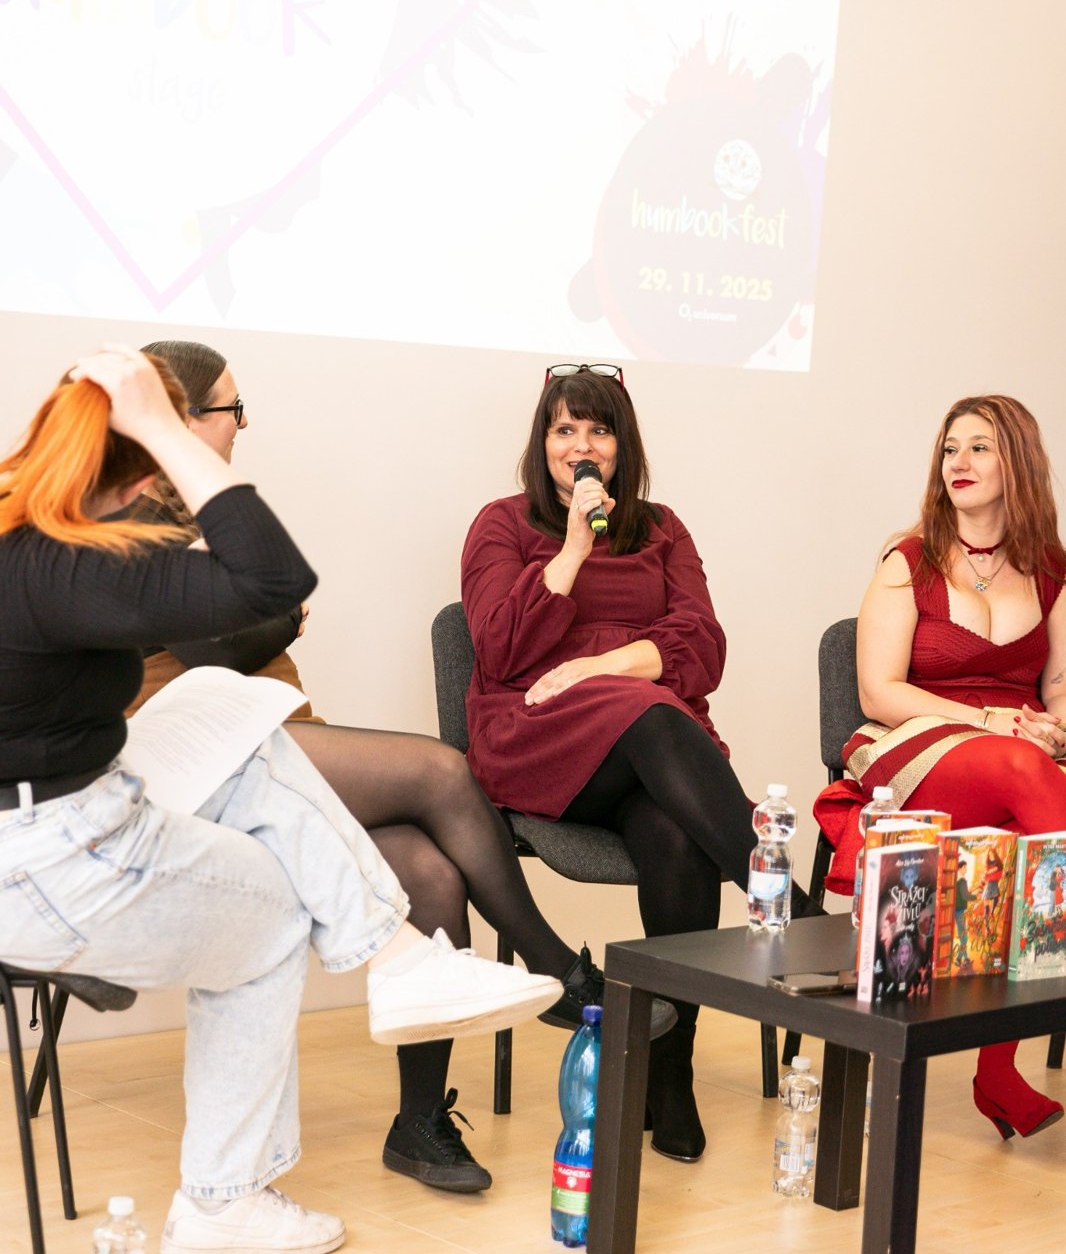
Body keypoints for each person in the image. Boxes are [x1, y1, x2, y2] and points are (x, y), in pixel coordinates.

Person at [0, 346, 564, 1254]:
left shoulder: (34, 543)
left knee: (236, 727)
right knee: (271, 918)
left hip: (72, 819)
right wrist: (167, 433)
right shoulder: (67, 566)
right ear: (141, 464)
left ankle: (396, 961)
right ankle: (225, 1201)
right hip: (54, 854)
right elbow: (273, 579)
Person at [129, 338, 673, 1197]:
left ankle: (419, 1123)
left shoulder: (196, 510)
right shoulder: (138, 514)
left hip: (269, 735)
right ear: (186, 418)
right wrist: (279, 618)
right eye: (233, 409)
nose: (243, 426)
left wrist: (270, 613)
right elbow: (212, 647)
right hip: (202, 755)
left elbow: (239, 620)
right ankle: (554, 969)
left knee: (429, 871)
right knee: (441, 773)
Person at [459, 361, 787, 1164]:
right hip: (538, 739)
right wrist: (573, 550)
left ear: (622, 444)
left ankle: (668, 1072)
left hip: (647, 755)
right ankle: (788, 905)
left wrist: (601, 667)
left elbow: (702, 646)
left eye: (598, 430)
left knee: (675, 831)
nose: (581, 446)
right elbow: (499, 648)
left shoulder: (663, 530)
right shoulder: (501, 525)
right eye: (564, 429)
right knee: (653, 712)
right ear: (541, 444)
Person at [815, 393, 1066, 1141]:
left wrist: (1055, 726)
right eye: (951, 448)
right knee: (1025, 773)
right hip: (917, 741)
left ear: (1018, 461)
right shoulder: (909, 561)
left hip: (1020, 753)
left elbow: (1056, 685)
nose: (959, 461)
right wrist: (987, 722)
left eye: (980, 446)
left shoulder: (1051, 569)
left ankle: (997, 1072)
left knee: (1028, 811)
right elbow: (878, 690)